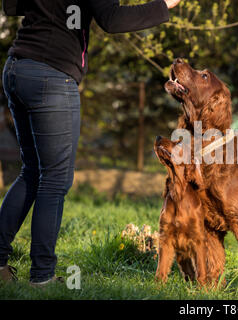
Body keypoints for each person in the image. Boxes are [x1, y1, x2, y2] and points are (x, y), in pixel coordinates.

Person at [0, 0, 181, 286]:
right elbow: (112, 19)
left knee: (33, 172)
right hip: (51, 75)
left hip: (18, 68)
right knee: (55, 179)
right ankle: (42, 277)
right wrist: (165, 3)